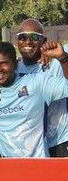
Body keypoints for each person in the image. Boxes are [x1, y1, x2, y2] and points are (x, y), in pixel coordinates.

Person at [0, 42, 68, 157]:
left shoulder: (36, 83)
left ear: (16, 64)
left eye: (4, 63)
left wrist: (62, 58)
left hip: (39, 165)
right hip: (7, 167)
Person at [13, 19, 68, 157]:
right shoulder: (13, 70)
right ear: (16, 41)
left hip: (60, 139)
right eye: (23, 37)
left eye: (34, 37)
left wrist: (62, 57)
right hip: (32, 147)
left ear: (44, 40)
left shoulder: (56, 60)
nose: (28, 42)